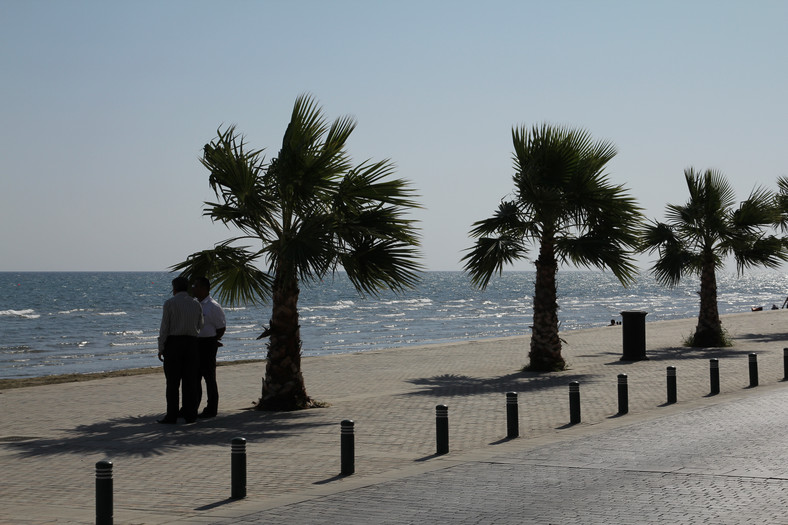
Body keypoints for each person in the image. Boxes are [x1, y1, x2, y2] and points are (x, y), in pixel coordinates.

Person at [157, 276, 203, 424]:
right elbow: (200, 324)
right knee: (190, 381)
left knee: (172, 383)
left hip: (174, 344)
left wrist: (161, 347)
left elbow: (165, 328)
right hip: (191, 343)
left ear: (174, 289)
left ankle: (172, 415)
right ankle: (190, 414)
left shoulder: (170, 303)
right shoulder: (196, 304)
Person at [192, 277, 226, 418]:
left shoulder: (213, 306)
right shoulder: (194, 304)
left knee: (209, 378)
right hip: (196, 343)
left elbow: (221, 327)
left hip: (208, 344)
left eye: (196, 286)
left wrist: (213, 340)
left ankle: (212, 408)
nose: (194, 288)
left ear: (204, 288)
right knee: (194, 378)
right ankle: (192, 407)